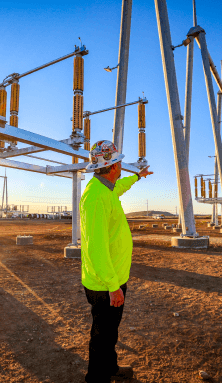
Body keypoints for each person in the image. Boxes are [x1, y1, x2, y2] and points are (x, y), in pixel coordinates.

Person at [80, 140, 153, 383]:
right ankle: (97, 378)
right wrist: (112, 285)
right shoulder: (96, 197)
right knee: (102, 336)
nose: (122, 164)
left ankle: (110, 368)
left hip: (113, 279)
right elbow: (95, 247)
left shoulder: (107, 187)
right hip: (104, 285)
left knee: (110, 333)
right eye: (119, 161)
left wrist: (138, 177)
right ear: (112, 166)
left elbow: (119, 187)